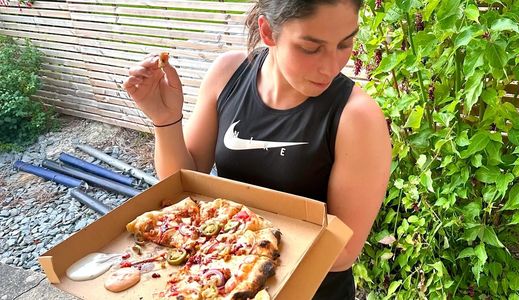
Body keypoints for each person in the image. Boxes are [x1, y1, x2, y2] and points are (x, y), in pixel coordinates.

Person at [123, 0, 391, 299]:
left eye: (345, 43)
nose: (331, 66)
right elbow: (180, 187)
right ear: (268, 31)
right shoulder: (228, 73)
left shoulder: (357, 117)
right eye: (311, 47)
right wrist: (165, 119)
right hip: (219, 277)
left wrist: (236, 253)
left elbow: (341, 253)